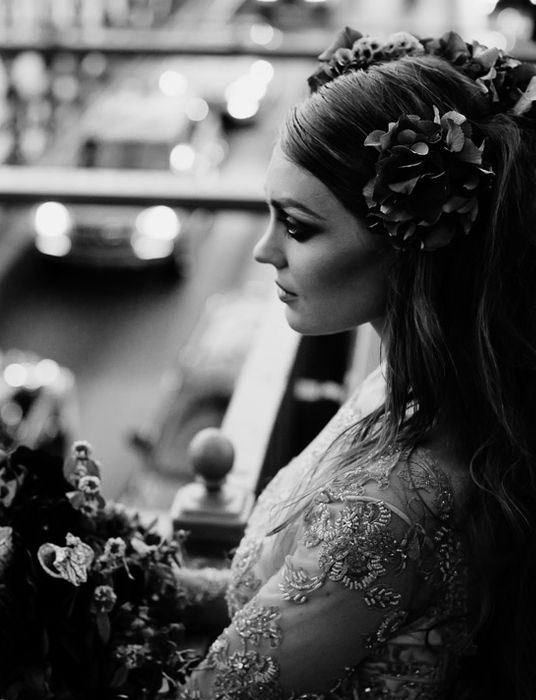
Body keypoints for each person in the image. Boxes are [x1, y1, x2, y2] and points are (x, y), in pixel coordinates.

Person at [175, 27, 536, 699]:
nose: (264, 251)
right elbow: (300, 596)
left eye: (299, 227)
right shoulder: (410, 391)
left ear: (409, 243)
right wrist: (122, 576)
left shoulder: (380, 513)